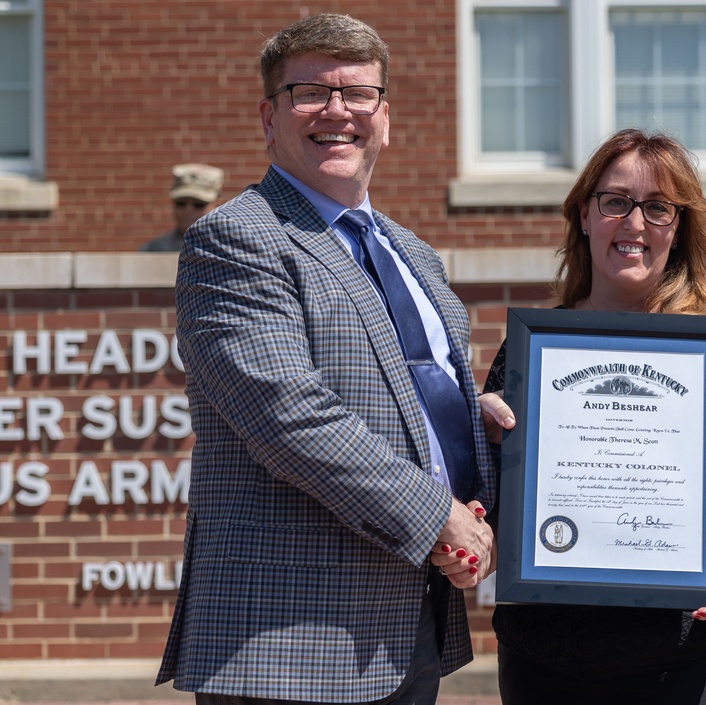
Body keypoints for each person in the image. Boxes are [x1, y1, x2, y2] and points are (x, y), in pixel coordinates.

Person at [155, 13, 507, 705]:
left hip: (409, 627)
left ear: (385, 116)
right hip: (288, 640)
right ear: (269, 114)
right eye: (310, 91)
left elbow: (409, 397)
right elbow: (291, 418)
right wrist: (442, 517)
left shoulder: (415, 255)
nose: (337, 111)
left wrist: (472, 425)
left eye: (358, 94)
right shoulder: (236, 238)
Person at [479, 128, 706, 704]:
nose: (635, 223)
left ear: (681, 226)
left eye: (658, 207)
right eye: (616, 201)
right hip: (553, 661)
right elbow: (492, 498)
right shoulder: (538, 351)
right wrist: (489, 441)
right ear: (584, 216)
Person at [139, 163, 225, 251]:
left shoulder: (229, 246)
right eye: (181, 203)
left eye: (199, 204)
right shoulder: (154, 249)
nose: (188, 210)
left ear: (218, 204)